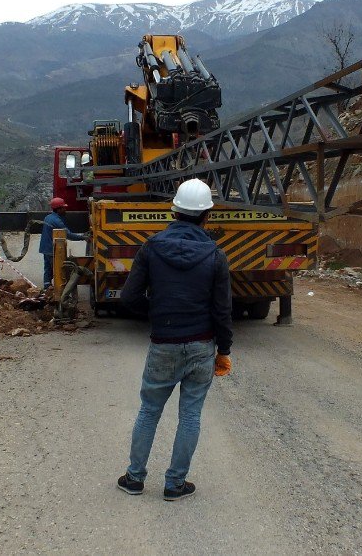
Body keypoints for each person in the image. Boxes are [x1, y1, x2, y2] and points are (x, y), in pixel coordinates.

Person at [116, 178, 233, 501]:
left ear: (175, 212)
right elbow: (223, 310)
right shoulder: (215, 255)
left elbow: (129, 297)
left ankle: (135, 478)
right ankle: (175, 484)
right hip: (201, 346)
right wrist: (223, 350)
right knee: (191, 415)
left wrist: (156, 316)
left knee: (149, 411)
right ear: (206, 215)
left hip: (163, 344)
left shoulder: (152, 248)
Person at [38, 197, 85, 289]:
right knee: (59, 271)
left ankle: (47, 288)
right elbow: (68, 235)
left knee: (48, 269)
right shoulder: (57, 221)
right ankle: (60, 292)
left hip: (45, 248)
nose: (65, 210)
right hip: (52, 250)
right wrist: (83, 237)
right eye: (63, 208)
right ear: (58, 209)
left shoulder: (48, 217)